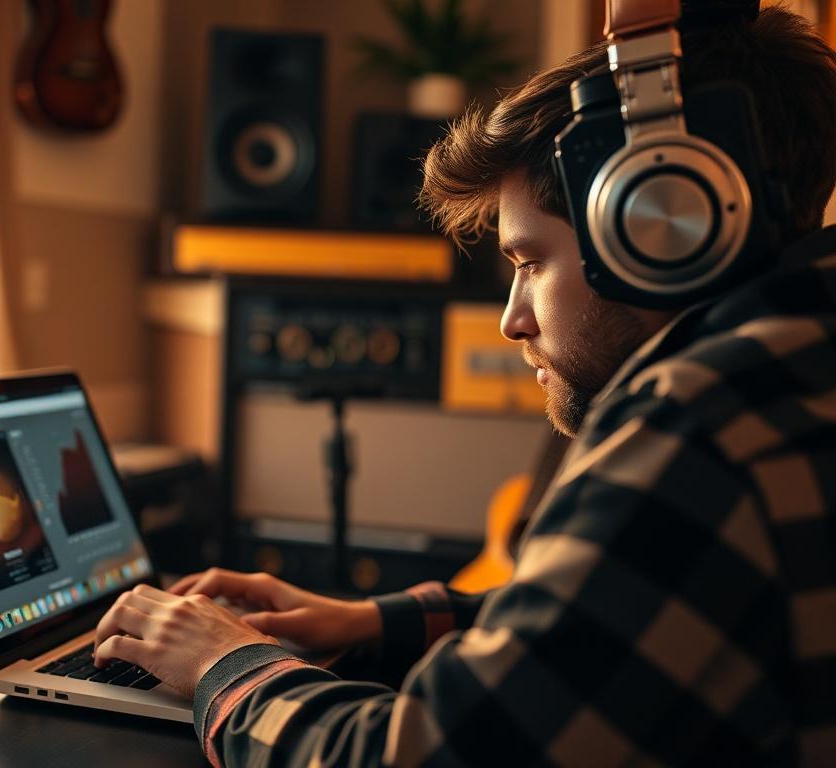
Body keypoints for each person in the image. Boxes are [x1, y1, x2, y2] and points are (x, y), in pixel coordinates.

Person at [92, 4, 836, 765]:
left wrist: (224, 662)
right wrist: (365, 621)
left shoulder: (704, 426)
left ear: (659, 225)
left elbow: (415, 758)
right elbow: (620, 617)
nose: (513, 322)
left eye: (529, 262)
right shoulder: (796, 359)